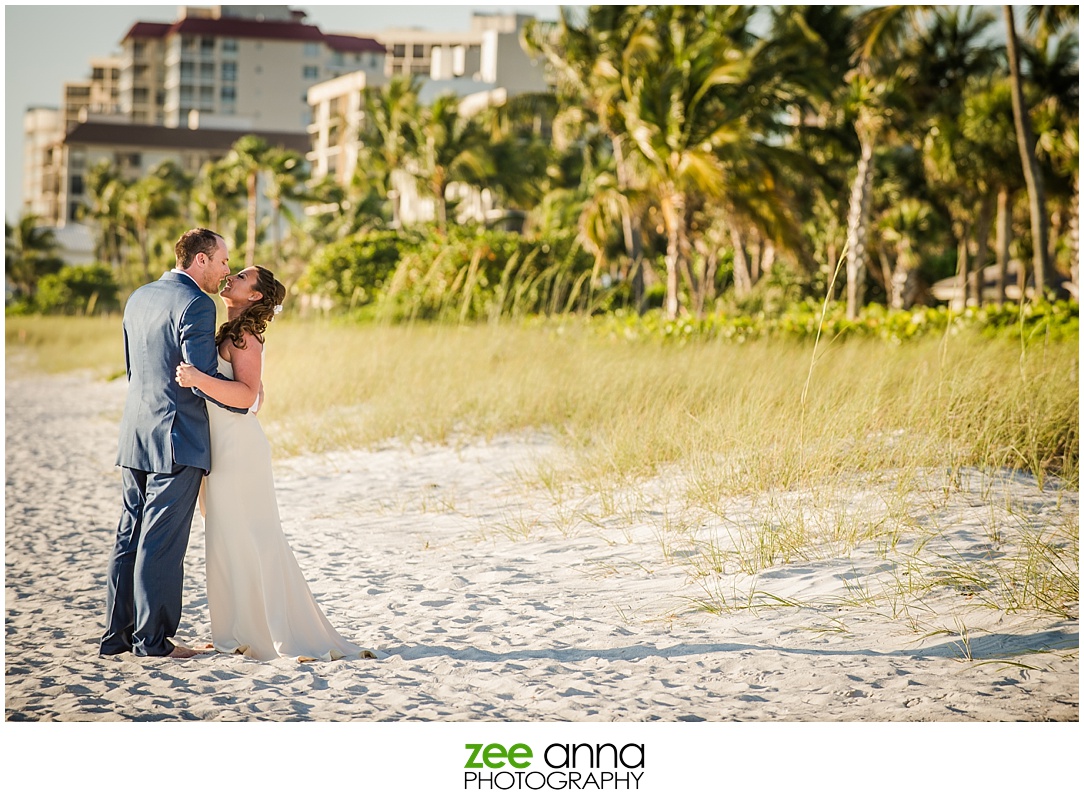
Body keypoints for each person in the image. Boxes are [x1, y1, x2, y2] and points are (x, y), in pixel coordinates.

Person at [176, 265, 379, 662]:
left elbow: (245, 395)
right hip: (221, 447)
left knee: (254, 537)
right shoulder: (230, 332)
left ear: (254, 296)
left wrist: (198, 379)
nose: (230, 277)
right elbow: (257, 397)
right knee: (226, 538)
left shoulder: (245, 336)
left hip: (239, 452)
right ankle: (236, 631)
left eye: (241, 277)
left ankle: (270, 632)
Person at [102, 228, 245, 659]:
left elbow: (134, 370)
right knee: (161, 542)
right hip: (176, 437)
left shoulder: (139, 296)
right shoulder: (196, 303)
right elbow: (200, 377)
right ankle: (153, 641)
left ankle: (117, 637)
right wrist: (245, 403)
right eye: (222, 260)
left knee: (130, 534)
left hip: (135, 433)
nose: (226, 270)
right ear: (201, 260)